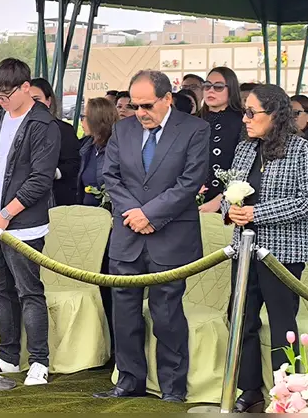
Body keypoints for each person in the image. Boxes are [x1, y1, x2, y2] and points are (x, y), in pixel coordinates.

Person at [96, 70, 210, 403]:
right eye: (135, 105)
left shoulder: (195, 130)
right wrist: (136, 215)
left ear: (167, 99)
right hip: (128, 237)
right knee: (125, 314)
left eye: (147, 105)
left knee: (168, 316)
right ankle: (129, 381)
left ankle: (173, 389)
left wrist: (151, 215)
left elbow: (190, 182)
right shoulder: (122, 129)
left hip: (171, 238)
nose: (140, 112)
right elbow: (111, 177)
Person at [222, 84, 308, 413]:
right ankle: (249, 389)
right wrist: (231, 211)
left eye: (252, 113)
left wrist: (257, 213)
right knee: (241, 319)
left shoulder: (302, 150)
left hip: (283, 254)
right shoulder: (244, 148)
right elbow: (231, 194)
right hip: (243, 249)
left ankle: (287, 392)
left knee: (282, 323)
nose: (246, 119)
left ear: (275, 115)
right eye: (244, 112)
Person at [0, 58, 60, 385]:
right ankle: (7, 354)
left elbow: (39, 179)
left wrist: (7, 213)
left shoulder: (43, 124)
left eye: (6, 95)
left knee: (28, 290)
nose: (0, 101)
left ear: (26, 88)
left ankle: (39, 361)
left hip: (22, 224)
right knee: (0, 289)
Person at [77, 96, 120, 354]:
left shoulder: (114, 147)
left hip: (108, 224)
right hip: (86, 222)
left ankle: (114, 346)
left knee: (107, 284)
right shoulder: (87, 146)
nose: (81, 121)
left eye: (85, 117)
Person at [198, 67, 245, 213]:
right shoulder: (192, 121)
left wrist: (221, 200)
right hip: (193, 199)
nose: (210, 91)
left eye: (218, 87)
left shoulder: (242, 122)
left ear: (231, 90)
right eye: (206, 86)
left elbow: (244, 166)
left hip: (228, 202)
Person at [28, 78, 81, 206]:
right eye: (28, 100)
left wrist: (52, 173)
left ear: (48, 101)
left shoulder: (64, 130)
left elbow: (73, 164)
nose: (32, 105)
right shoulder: (18, 130)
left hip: (56, 197)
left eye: (36, 99)